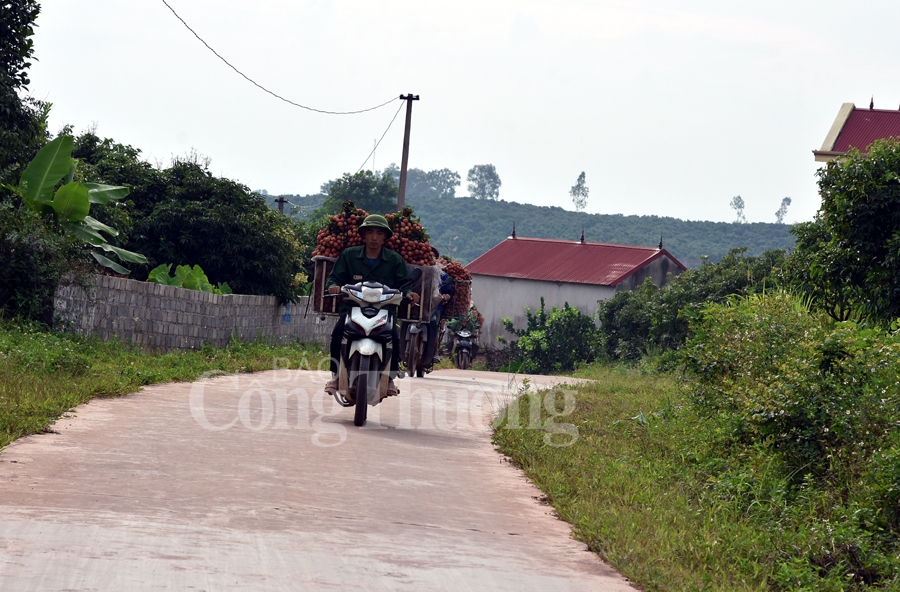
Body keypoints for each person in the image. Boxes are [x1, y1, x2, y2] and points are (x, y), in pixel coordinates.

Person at [324, 214, 419, 397]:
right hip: (353, 310)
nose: (374, 237)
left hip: (385, 311)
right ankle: (336, 375)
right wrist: (333, 287)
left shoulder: (394, 260)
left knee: (393, 336)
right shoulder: (349, 256)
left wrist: (408, 293)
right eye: (370, 232)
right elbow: (334, 278)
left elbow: (403, 283)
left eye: (379, 233)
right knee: (337, 333)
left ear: (385, 237)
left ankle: (390, 378)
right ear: (363, 235)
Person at [425, 247, 453, 364]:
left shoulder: (442, 275)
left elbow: (448, 291)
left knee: (433, 326)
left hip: (435, 307)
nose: (430, 259)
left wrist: (446, 295)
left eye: (432, 256)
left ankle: (435, 352)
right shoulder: (418, 269)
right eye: (428, 256)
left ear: (436, 259)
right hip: (417, 305)